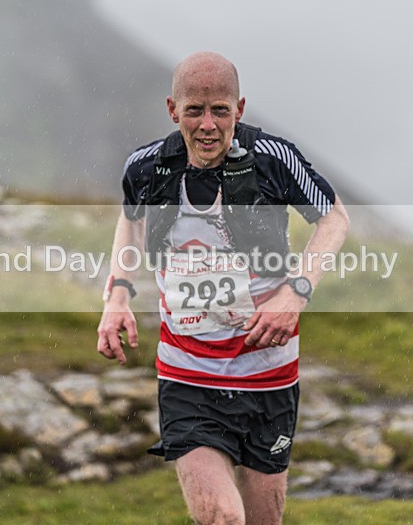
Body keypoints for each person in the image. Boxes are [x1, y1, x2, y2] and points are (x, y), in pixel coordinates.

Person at [97, 51, 349, 524]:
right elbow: (129, 222)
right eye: (195, 110)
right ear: (173, 110)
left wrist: (294, 294)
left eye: (221, 111)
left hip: (268, 373)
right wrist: (117, 295)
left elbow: (334, 218)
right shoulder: (147, 168)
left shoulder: (272, 159)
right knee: (223, 519)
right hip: (189, 375)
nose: (208, 125)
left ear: (241, 109)